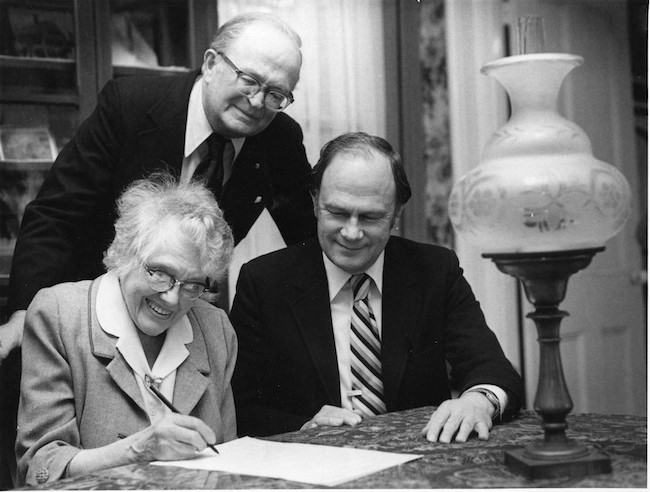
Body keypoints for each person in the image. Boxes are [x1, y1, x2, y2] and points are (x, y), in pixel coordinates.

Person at [0, 12, 315, 484]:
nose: (257, 103)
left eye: (276, 94)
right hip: (100, 304)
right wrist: (25, 314)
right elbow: (56, 213)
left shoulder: (279, 138)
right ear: (211, 63)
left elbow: (306, 239)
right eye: (248, 80)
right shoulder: (131, 104)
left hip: (186, 304)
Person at [230, 132, 524, 443]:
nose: (352, 232)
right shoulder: (264, 282)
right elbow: (239, 407)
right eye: (338, 212)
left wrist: (477, 402)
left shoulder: (434, 271)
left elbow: (494, 369)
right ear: (316, 203)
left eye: (370, 217)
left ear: (396, 214)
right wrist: (305, 425)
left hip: (418, 464)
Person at [15, 174, 237, 486]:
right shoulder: (61, 315)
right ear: (126, 253)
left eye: (192, 284)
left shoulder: (215, 329)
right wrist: (138, 450)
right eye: (160, 273)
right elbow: (40, 467)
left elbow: (229, 459)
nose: (173, 298)